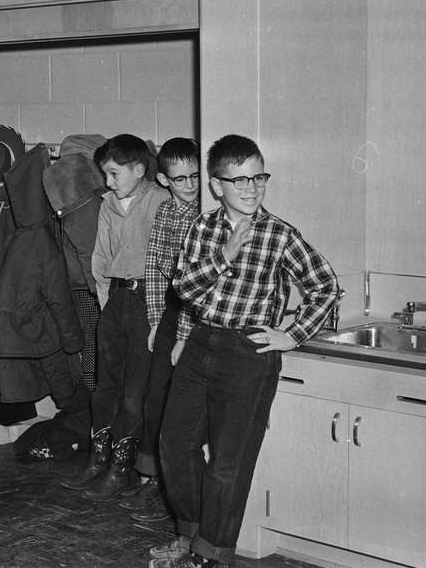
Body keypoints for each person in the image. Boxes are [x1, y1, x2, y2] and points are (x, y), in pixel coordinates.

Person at [151, 134, 340, 567]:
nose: (251, 188)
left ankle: (211, 555)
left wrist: (292, 335)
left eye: (258, 178)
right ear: (216, 185)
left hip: (246, 352)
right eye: (239, 180)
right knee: (174, 445)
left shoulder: (279, 234)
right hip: (201, 342)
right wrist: (224, 255)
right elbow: (184, 290)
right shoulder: (203, 228)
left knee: (228, 462)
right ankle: (191, 536)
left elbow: (326, 286)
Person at [61, 134, 168, 500]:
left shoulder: (160, 201)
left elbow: (165, 262)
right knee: (105, 386)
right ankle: (99, 460)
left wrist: (157, 313)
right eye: (105, 174)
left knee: (134, 392)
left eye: (114, 173)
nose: (108, 182)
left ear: (139, 170)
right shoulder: (108, 204)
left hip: (148, 302)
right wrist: (107, 303)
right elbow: (101, 257)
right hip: (117, 299)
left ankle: (123, 469)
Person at [120, 137, 201, 522]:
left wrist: (185, 335)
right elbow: (154, 267)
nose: (190, 185)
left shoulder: (207, 214)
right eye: (180, 179)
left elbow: (197, 283)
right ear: (165, 180)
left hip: (199, 316)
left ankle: (175, 487)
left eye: (195, 176)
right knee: (155, 398)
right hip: (170, 311)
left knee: (185, 406)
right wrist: (155, 321)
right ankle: (151, 477)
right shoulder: (166, 211)